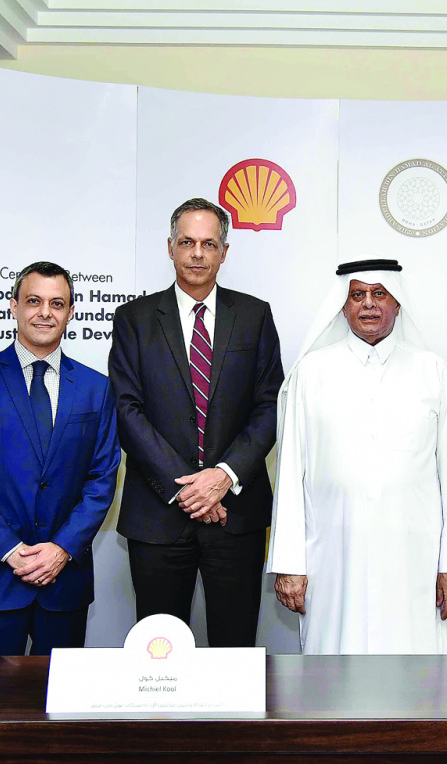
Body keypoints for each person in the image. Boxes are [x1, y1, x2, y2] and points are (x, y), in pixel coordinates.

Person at [267, 257, 447, 654]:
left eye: (379, 294)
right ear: (343, 306)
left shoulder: (432, 370)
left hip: (414, 559)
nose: (368, 304)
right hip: (331, 558)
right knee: (331, 670)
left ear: (397, 303)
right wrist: (289, 564)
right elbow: (291, 473)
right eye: (358, 295)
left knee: (414, 675)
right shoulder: (311, 373)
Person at [108, 198, 284, 646]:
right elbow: (127, 412)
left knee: (235, 648)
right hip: (158, 515)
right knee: (160, 657)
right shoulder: (134, 319)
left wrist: (222, 478)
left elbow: (270, 407)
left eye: (209, 243)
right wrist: (189, 488)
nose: (197, 254)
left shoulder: (255, 316)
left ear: (225, 251)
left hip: (236, 516)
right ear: (170, 247)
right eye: (187, 242)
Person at [0, 262, 120, 656]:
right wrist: (8, 549)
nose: (45, 312)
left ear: (71, 313)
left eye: (58, 304)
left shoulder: (97, 388)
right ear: (14, 306)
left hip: (64, 581)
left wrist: (61, 548)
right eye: (34, 301)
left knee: (60, 711)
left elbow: (102, 478)